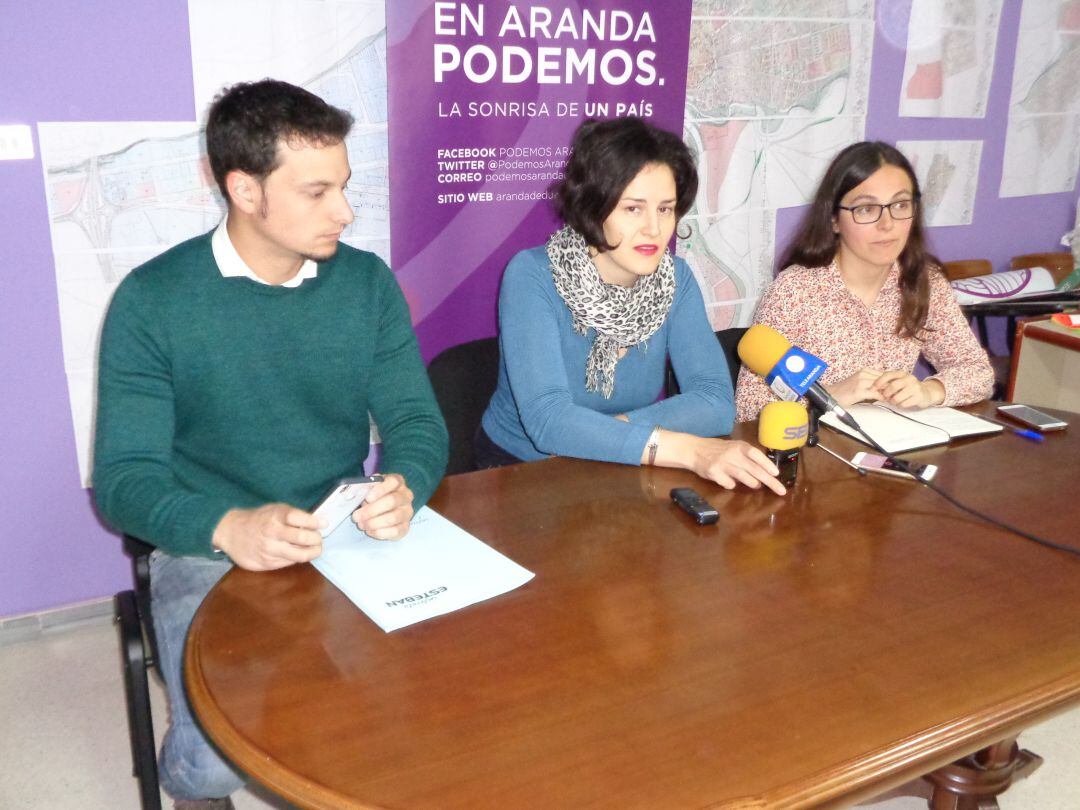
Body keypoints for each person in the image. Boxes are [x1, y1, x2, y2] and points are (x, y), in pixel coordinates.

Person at [93, 79, 448, 809]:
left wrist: (405, 482)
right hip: (206, 541)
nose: (345, 212)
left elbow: (416, 420)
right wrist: (227, 526)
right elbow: (124, 480)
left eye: (344, 187)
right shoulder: (152, 301)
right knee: (213, 765)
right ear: (244, 190)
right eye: (317, 192)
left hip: (341, 527)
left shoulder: (366, 284)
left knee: (438, 700)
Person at [477, 116, 785, 496]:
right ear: (594, 207)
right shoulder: (533, 275)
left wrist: (611, 435)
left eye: (665, 209)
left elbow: (715, 402)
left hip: (626, 463)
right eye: (633, 209)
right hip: (525, 471)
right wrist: (684, 448)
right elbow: (550, 424)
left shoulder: (676, 279)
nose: (654, 230)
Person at [735, 141, 993, 422]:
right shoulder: (795, 291)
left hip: (893, 445)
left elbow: (977, 371)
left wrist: (929, 390)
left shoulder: (922, 281)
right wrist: (829, 397)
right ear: (834, 219)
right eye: (867, 209)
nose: (887, 224)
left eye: (900, 205)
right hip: (817, 453)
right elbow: (749, 410)